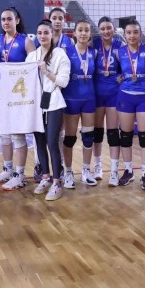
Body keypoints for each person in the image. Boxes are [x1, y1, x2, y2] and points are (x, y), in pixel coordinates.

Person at [0, 7, 35, 187]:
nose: (6, 22)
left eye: (9, 19)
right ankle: (8, 169)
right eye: (3, 19)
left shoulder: (26, 41)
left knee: (18, 135)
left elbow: (33, 69)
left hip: (18, 95)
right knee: (4, 133)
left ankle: (20, 174)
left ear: (17, 20)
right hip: (1, 92)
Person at [28, 19, 71, 201]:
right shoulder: (32, 56)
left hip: (53, 102)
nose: (42, 36)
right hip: (36, 104)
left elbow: (63, 82)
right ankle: (45, 177)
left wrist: (46, 71)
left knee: (52, 141)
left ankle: (57, 182)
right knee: (39, 142)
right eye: (39, 33)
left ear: (52, 34)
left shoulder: (60, 54)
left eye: (46, 32)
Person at [116, 20, 145, 190]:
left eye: (135, 32)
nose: (132, 35)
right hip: (125, 95)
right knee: (125, 135)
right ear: (124, 35)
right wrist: (118, 77)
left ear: (140, 34)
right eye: (129, 32)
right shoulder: (119, 52)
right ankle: (128, 170)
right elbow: (117, 72)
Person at [62, 20, 97, 188]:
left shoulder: (94, 53)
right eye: (80, 30)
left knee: (88, 137)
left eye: (86, 30)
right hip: (71, 99)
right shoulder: (66, 51)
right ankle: (68, 172)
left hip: (89, 99)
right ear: (74, 33)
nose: (83, 33)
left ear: (90, 34)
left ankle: (86, 171)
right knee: (70, 138)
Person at [92, 16, 123, 186]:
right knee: (97, 132)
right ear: (99, 30)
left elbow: (129, 64)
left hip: (113, 93)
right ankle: (97, 166)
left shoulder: (120, 45)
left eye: (108, 28)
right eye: (103, 28)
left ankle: (113, 170)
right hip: (97, 93)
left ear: (114, 29)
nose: (106, 31)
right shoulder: (94, 44)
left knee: (112, 133)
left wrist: (122, 76)